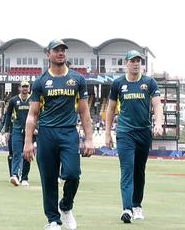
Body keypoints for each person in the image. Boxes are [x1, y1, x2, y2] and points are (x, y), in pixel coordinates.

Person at [24, 40, 94, 230]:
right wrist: (28, 142)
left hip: (69, 133)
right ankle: (53, 220)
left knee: (72, 174)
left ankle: (66, 206)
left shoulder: (77, 80)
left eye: (63, 50)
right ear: (48, 54)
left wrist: (89, 138)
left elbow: (85, 112)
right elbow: (32, 114)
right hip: (46, 134)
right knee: (48, 179)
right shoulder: (40, 82)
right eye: (57, 50)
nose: (61, 52)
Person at [104, 49, 163, 224]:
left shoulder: (149, 82)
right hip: (125, 132)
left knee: (139, 170)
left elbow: (157, 105)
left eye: (139, 60)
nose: (136, 63)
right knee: (127, 170)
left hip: (143, 132)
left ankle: (137, 205)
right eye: (133, 60)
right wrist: (107, 132)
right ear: (126, 63)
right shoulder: (118, 84)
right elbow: (110, 109)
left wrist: (158, 123)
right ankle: (127, 208)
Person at [2, 80, 32, 186]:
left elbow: (38, 114)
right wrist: (6, 131)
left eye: (26, 86)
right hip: (17, 130)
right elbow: (8, 115)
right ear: (20, 88)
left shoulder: (33, 100)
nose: (25, 88)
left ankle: (24, 177)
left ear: (29, 88)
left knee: (27, 154)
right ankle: (14, 175)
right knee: (16, 153)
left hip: (29, 131)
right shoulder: (14, 100)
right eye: (23, 86)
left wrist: (36, 128)